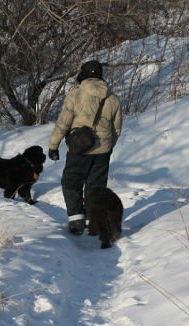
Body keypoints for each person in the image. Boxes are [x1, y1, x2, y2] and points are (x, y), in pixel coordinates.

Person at [48, 60, 123, 235]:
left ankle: (76, 221)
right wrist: (108, 146)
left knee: (71, 182)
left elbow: (63, 123)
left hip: (79, 148)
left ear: (83, 75)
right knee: (96, 186)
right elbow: (117, 128)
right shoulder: (112, 98)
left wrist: (54, 145)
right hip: (103, 150)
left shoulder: (76, 95)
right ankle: (92, 220)